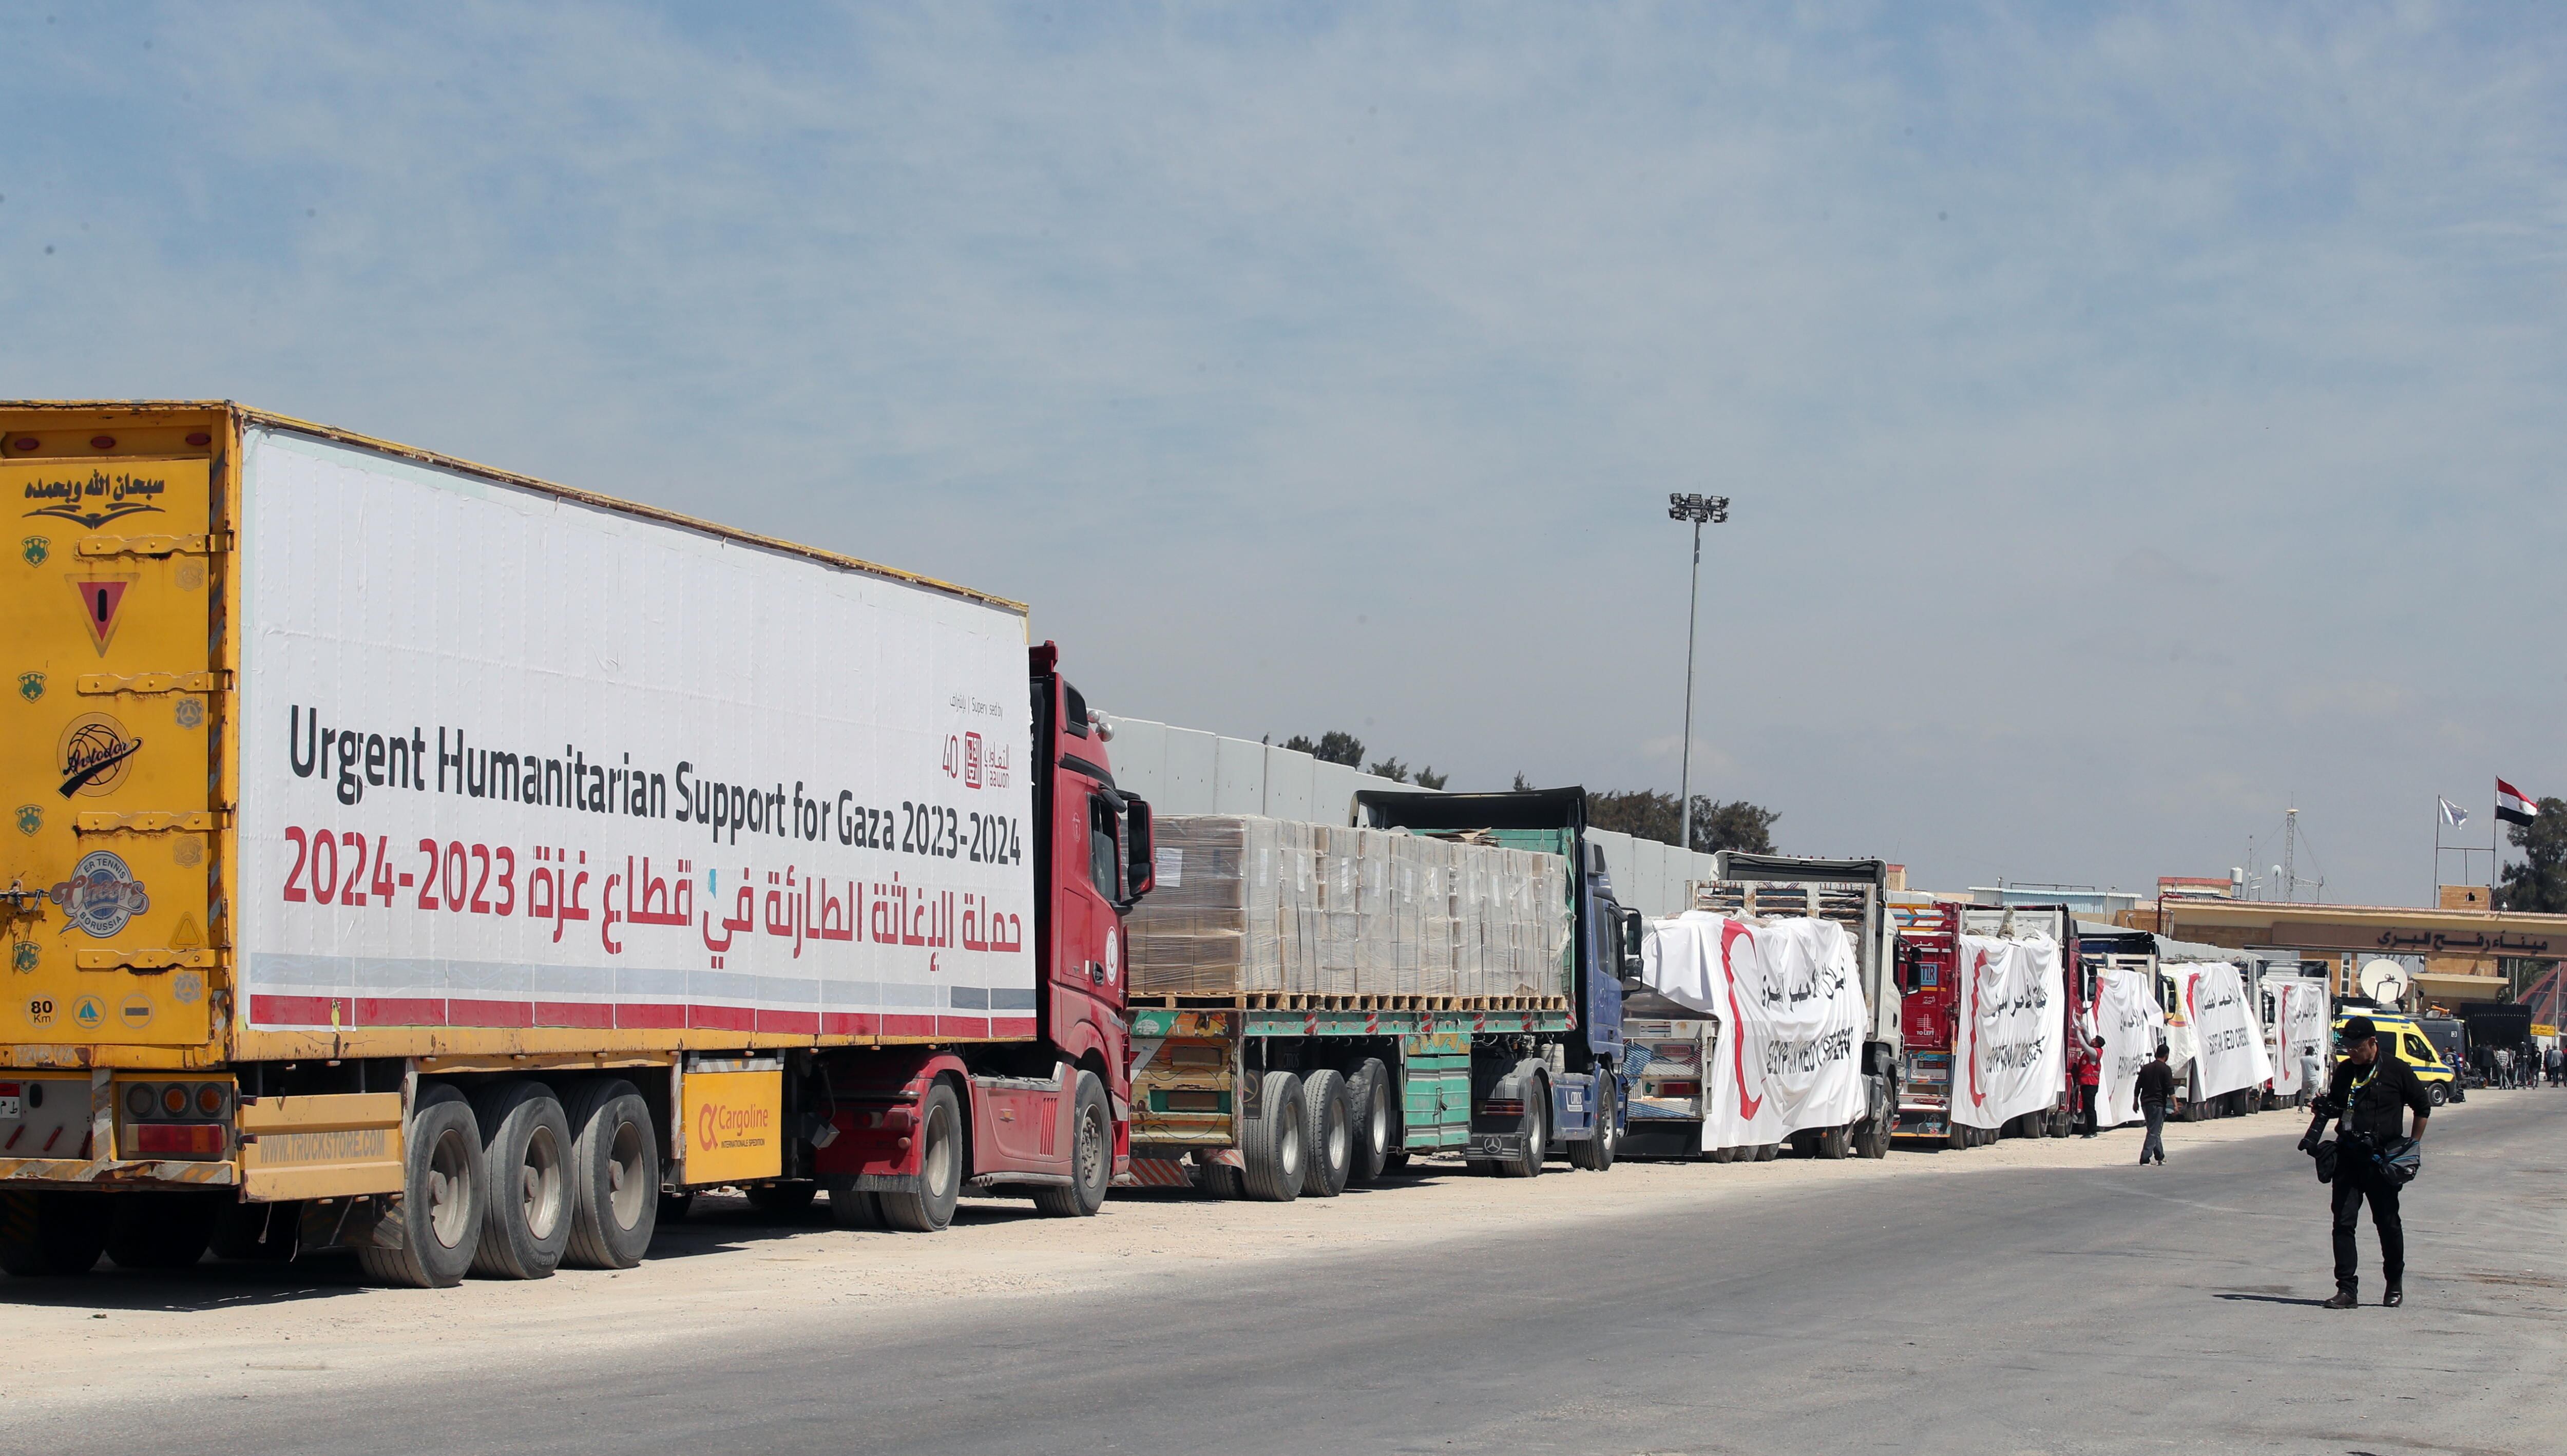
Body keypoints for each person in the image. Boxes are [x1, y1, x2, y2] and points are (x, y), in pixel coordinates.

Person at [2308, 1017, 2431, 1309]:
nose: (2352, 1053)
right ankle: (2347, 1290)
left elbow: (2422, 1107)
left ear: (2372, 1043)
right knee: (2343, 1223)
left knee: (2388, 1224)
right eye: (2348, 1048)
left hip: (2382, 1161)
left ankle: (2394, 1284)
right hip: (2349, 1158)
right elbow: (2338, 1105)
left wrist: (2412, 1146)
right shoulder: (2346, 1071)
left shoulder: (2397, 1070)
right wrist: (2324, 1107)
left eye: (2358, 1047)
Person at [2135, 1044, 2174, 1165]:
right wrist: (2175, 1105)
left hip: (2145, 1104)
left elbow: (2138, 1086)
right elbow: (2170, 1089)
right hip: (2157, 1104)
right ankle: (2145, 1158)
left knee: (2154, 1130)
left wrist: (2135, 1101)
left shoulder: (2146, 1068)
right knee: (2153, 1132)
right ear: (2166, 1055)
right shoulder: (2166, 1069)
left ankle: (2160, 1156)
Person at [2077, 1035, 2103, 1136]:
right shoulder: (2094, 1050)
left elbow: (2084, 1044)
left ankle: (2093, 1131)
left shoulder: (2094, 1053)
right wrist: (2081, 1024)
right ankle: (2090, 1130)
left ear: (2096, 1044)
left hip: (2090, 1084)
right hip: (2087, 1083)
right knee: (2088, 1107)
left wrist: (2078, 1031)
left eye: (2094, 1040)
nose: (2091, 1040)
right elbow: (2087, 1037)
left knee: (2090, 1108)